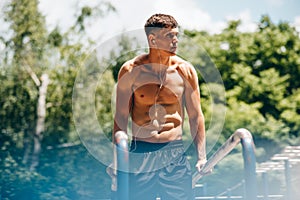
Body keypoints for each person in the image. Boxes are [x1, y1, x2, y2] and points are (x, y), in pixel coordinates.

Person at [113, 13, 207, 200]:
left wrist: (201, 157)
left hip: (174, 152)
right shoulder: (131, 70)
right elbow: (121, 117)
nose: (175, 41)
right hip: (140, 152)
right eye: (169, 36)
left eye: (176, 35)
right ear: (152, 39)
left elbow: (196, 116)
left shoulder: (184, 71)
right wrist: (117, 163)